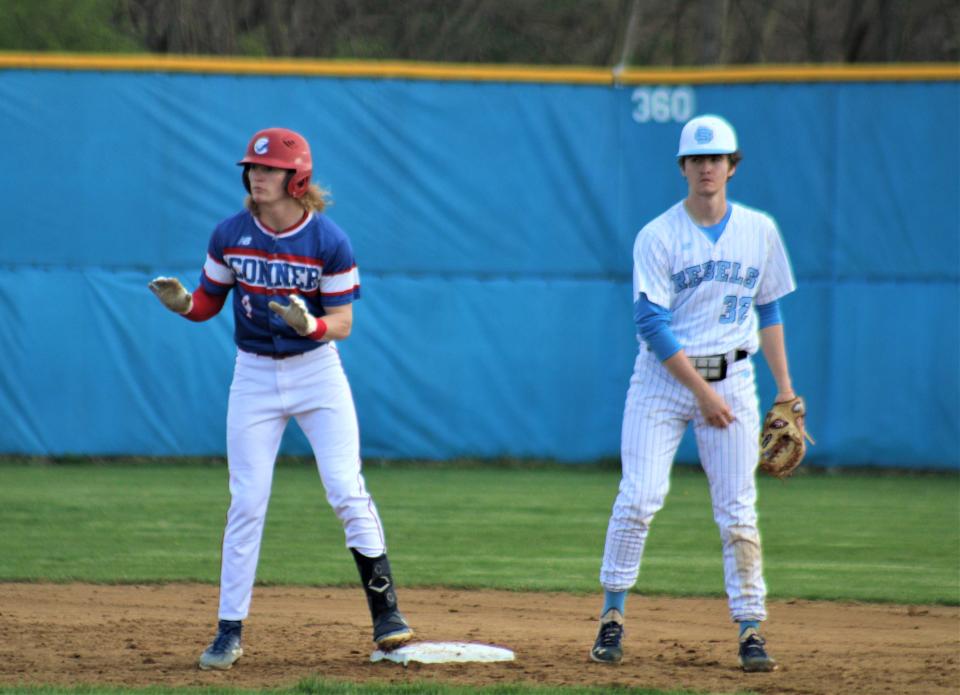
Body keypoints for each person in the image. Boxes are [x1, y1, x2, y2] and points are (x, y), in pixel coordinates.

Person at [148, 127, 414, 671]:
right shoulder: (230, 234)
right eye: (252, 168)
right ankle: (228, 630)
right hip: (253, 376)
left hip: (316, 372)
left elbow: (343, 322)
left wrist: (310, 323)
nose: (256, 176)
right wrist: (181, 305)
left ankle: (386, 614)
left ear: (297, 178)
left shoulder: (328, 241)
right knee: (247, 500)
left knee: (345, 488)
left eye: (267, 169)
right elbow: (206, 304)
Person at [590, 114, 800, 672]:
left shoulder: (759, 231)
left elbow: (770, 308)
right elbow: (651, 325)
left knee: (738, 511)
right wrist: (703, 396)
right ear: (683, 167)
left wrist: (785, 389)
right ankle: (612, 616)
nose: (707, 167)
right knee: (639, 497)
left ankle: (751, 629)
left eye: (717, 158)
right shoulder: (658, 236)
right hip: (663, 382)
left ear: (732, 166)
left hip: (733, 377)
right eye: (696, 159)